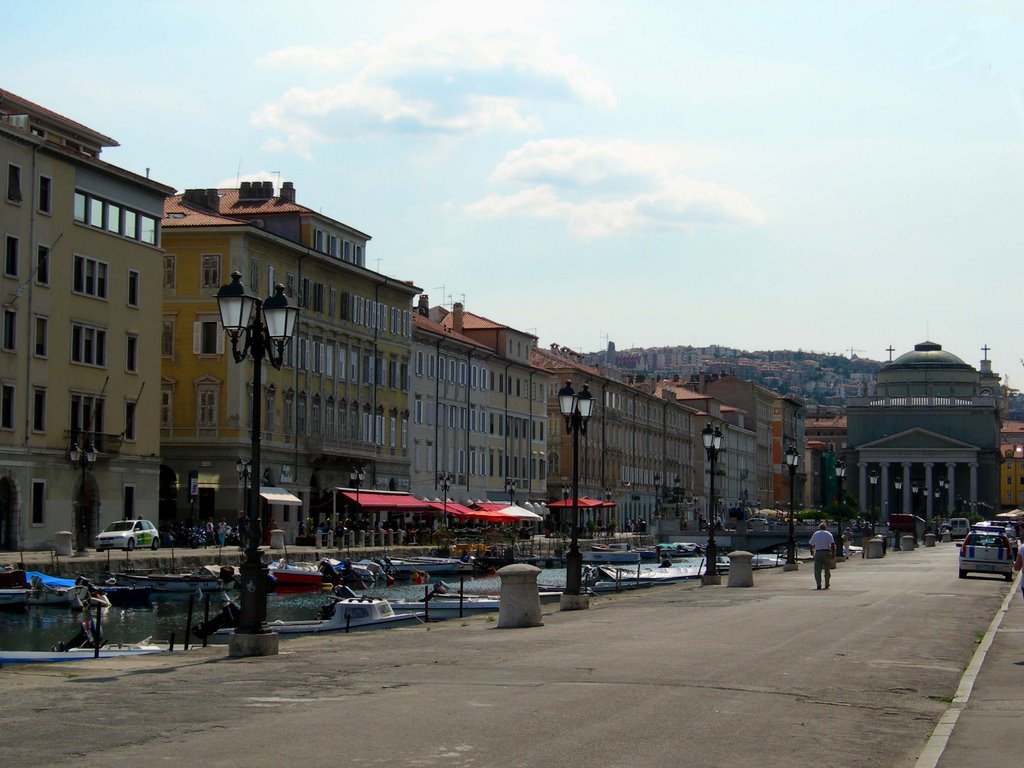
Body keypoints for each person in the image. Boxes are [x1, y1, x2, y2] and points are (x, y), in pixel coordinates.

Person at [808, 522, 836, 590]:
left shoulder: (816, 534)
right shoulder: (829, 534)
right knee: (827, 569)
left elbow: (810, 543)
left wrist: (811, 551)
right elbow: (832, 544)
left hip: (818, 552)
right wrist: (832, 554)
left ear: (819, 528)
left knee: (817, 570)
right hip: (826, 552)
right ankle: (826, 584)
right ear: (825, 528)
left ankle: (818, 584)